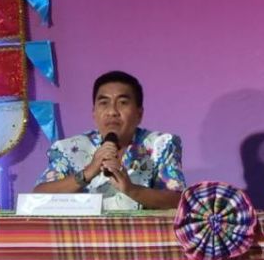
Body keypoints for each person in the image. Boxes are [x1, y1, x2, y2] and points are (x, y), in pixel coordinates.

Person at [34, 70, 187, 211]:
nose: (112, 112)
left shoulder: (161, 145)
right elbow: (37, 198)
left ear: (139, 114)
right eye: (104, 103)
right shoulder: (68, 149)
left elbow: (178, 201)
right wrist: (87, 173)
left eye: (123, 103)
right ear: (94, 112)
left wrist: (131, 190)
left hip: (140, 232)